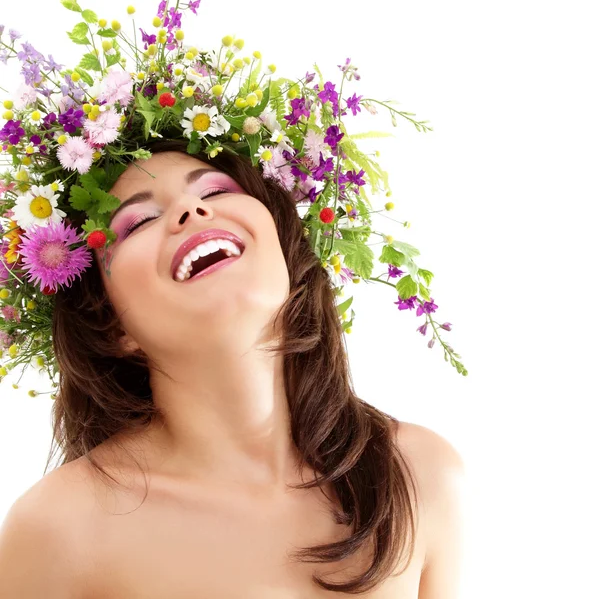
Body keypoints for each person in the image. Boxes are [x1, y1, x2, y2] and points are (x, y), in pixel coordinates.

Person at [0, 140, 465, 598]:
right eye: (139, 221)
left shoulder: (421, 474)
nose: (190, 210)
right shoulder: (61, 530)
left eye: (216, 191)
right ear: (110, 323)